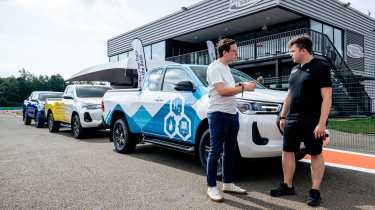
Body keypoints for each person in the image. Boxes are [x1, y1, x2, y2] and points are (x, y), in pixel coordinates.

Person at [270, 36, 332, 207]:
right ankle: (287, 185)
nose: (291, 54)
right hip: (292, 118)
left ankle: (315, 191)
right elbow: (289, 94)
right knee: (287, 151)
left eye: (293, 51)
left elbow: (327, 97)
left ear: (303, 50)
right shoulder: (294, 70)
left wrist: (322, 123)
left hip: (312, 119)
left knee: (315, 153)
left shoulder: (321, 66)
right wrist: (283, 116)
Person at [206, 38, 256, 202]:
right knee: (215, 151)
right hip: (218, 114)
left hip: (232, 114)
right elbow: (221, 91)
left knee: (230, 151)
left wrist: (242, 83)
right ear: (225, 51)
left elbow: (228, 87)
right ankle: (211, 187)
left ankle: (227, 183)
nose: (237, 53)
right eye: (234, 50)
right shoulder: (214, 67)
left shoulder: (226, 68)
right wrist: (244, 88)